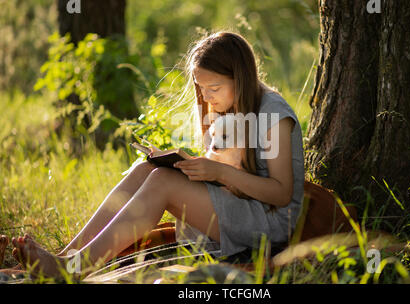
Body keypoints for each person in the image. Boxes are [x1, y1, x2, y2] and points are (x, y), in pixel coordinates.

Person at [8, 31, 305, 279]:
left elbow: (281, 194)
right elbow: (228, 170)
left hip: (269, 221)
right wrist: (190, 164)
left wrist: (220, 172)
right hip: (238, 201)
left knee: (162, 182)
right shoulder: (225, 107)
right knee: (145, 170)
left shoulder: (273, 117)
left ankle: (71, 270)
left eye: (213, 88)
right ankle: (66, 256)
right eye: (201, 89)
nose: (206, 97)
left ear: (240, 79)